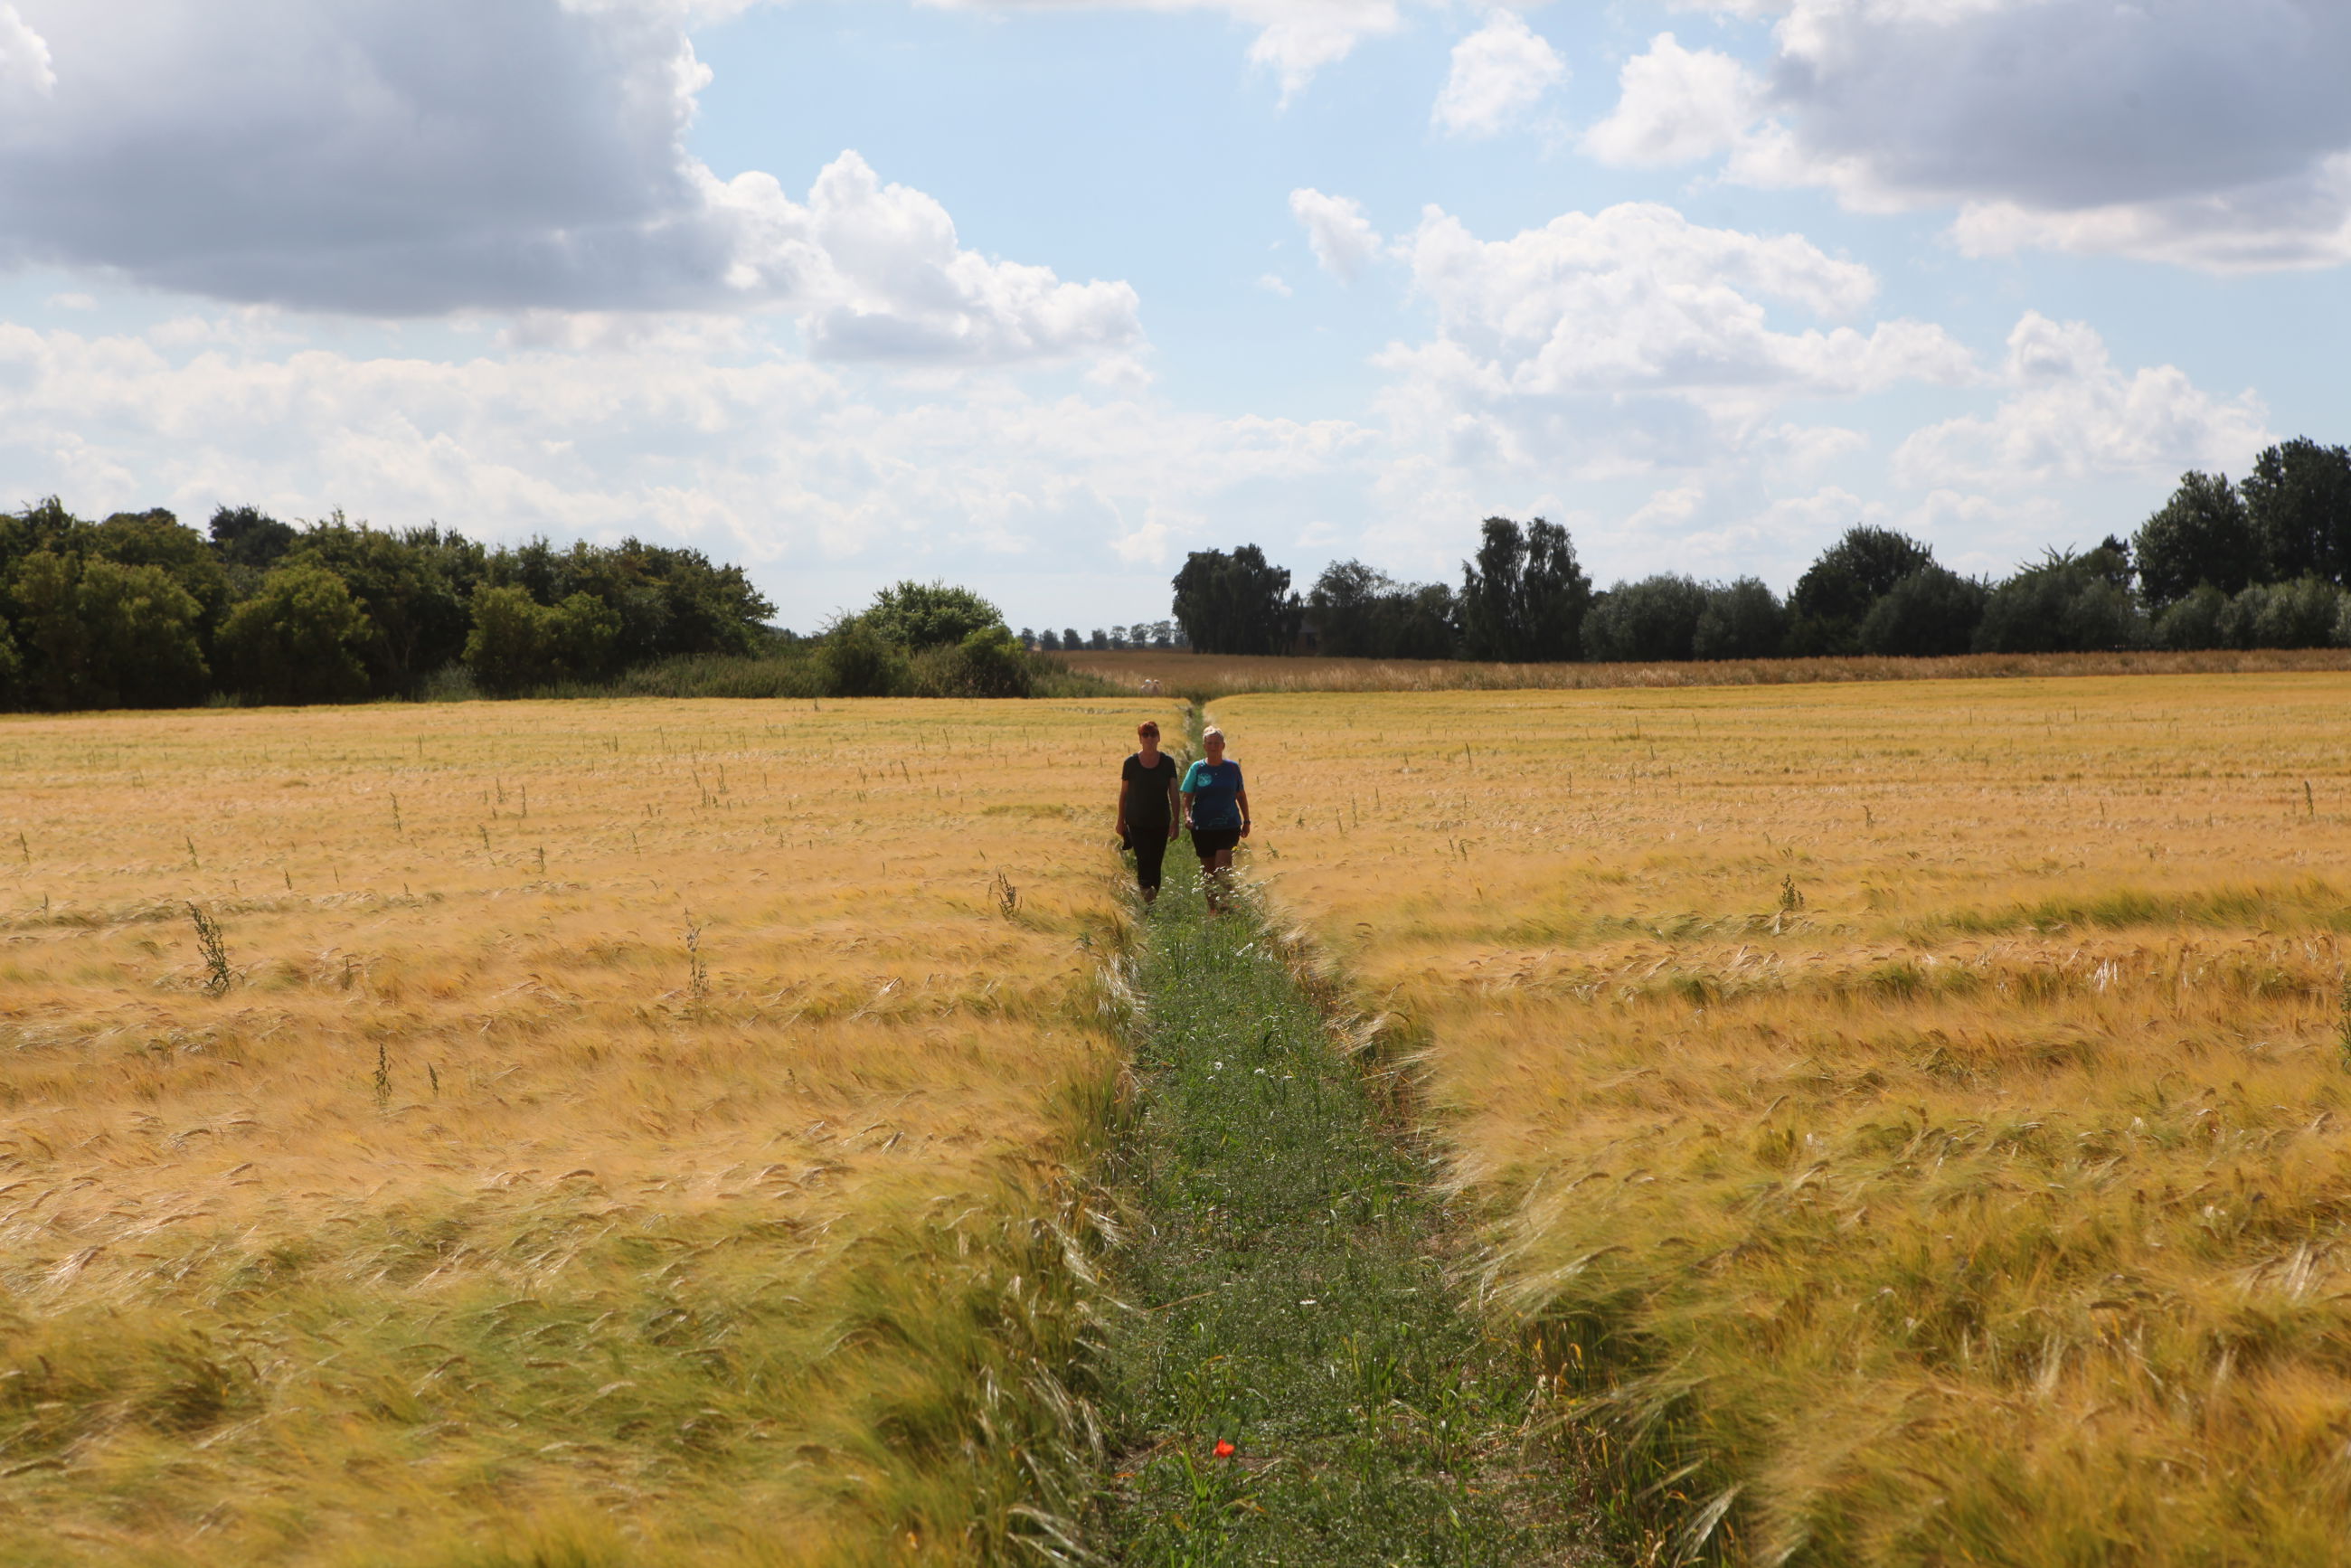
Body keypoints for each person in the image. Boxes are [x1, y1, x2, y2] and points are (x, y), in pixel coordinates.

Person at [1181, 724, 1251, 912]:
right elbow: (1187, 796)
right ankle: (1213, 910)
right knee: (1209, 873)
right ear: (1204, 745)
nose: (1213, 746)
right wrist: (1187, 816)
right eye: (1210, 743)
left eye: (1217, 743)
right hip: (1202, 827)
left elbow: (1241, 795)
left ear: (1223, 745)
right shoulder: (1197, 768)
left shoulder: (1232, 768)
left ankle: (1227, 907)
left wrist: (1247, 820)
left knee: (1223, 867)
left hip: (1229, 825)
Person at [1115, 720, 1182, 904]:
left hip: (1160, 822)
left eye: (1153, 734)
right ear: (1140, 739)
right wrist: (1120, 821)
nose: (1150, 738)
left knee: (1155, 864)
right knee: (1143, 861)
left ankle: (1150, 902)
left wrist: (1176, 822)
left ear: (1159, 738)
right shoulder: (1130, 763)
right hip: (1137, 822)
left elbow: (1174, 793)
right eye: (1145, 735)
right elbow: (1124, 794)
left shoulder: (1168, 763)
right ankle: (1147, 905)